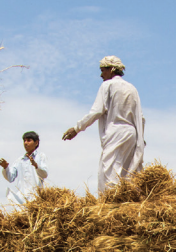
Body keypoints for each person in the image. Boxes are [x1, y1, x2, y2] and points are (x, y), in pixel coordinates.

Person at [62, 56, 145, 193]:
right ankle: (124, 201)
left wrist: (77, 128)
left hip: (116, 131)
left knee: (108, 172)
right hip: (132, 133)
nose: (101, 75)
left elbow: (96, 111)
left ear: (111, 70)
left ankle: (111, 203)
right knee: (125, 171)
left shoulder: (108, 86)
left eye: (103, 70)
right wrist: (141, 138)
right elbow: (141, 117)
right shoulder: (132, 88)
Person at [0, 131, 48, 205]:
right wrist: (5, 167)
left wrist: (36, 165)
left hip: (36, 198)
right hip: (22, 199)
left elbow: (44, 174)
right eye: (24, 140)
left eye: (29, 140)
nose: (25, 143)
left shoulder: (40, 156)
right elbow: (10, 178)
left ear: (36, 143)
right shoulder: (19, 160)